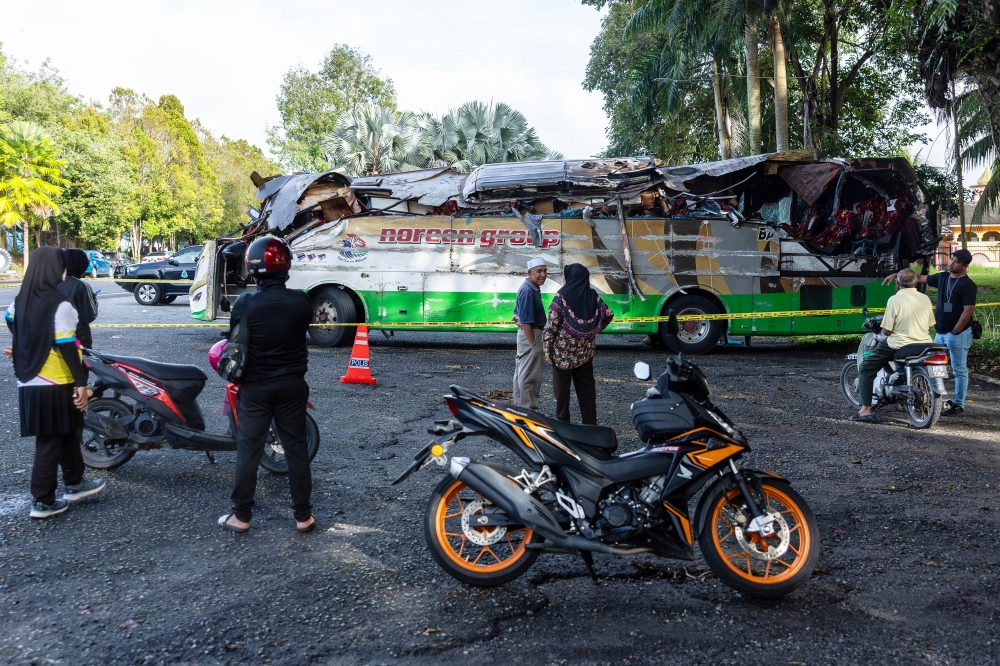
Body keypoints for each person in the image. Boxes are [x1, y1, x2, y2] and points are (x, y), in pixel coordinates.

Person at [219, 236, 315, 534]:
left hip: (256, 388)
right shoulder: (302, 300)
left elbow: (235, 335)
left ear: (252, 267)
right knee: (296, 449)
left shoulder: (246, 303)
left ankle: (241, 516)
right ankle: (303, 517)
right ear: (285, 265)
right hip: (292, 385)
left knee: (249, 449)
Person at [4, 247, 104, 519]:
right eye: (61, 265)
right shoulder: (60, 304)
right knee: (49, 440)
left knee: (69, 429)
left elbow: (11, 321)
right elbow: (68, 348)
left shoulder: (19, 301)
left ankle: (75, 482)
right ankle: (43, 500)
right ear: (53, 269)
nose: (63, 270)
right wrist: (81, 383)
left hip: (29, 381)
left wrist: (25, 343)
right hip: (56, 381)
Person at [883, 249, 977, 415]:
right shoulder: (942, 277)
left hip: (958, 334)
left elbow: (968, 311)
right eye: (951, 259)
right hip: (940, 333)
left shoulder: (967, 285)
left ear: (964, 266)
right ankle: (934, 399)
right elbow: (917, 278)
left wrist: (955, 331)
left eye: (955, 261)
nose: (951, 262)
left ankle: (958, 403)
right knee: (932, 365)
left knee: (959, 369)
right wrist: (897, 275)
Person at [854, 268, 934, 421]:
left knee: (866, 368)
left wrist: (882, 336)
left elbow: (887, 329)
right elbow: (929, 327)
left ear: (897, 283)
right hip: (924, 343)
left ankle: (865, 410)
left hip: (899, 343)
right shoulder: (925, 299)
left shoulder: (894, 300)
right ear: (916, 282)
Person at [543, 264, 614, 424]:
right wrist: (593, 329)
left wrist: (547, 348)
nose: (563, 279)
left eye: (565, 276)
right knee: (587, 390)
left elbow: (552, 324)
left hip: (562, 355)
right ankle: (590, 425)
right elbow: (608, 314)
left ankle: (563, 424)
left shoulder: (561, 295)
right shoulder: (592, 295)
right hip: (585, 354)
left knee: (562, 393)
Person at [512, 257, 548, 410]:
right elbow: (526, 321)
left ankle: (520, 408)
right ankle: (528, 411)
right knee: (529, 376)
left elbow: (518, 316)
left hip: (529, 334)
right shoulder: (528, 291)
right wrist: (533, 343)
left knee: (522, 373)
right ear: (529, 272)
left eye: (545, 271)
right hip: (531, 334)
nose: (543, 274)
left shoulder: (530, 288)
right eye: (539, 271)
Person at [58, 249, 98, 350]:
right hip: (78, 339)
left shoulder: (52, 282)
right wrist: (93, 297)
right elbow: (90, 315)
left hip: (52, 338)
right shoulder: (82, 286)